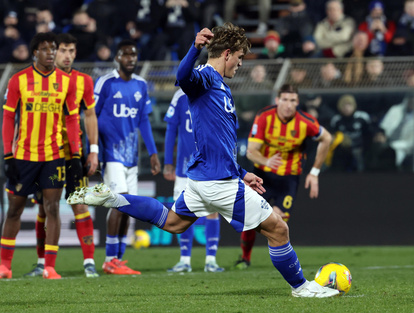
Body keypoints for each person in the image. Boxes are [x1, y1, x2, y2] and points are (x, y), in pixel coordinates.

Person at [68, 23, 339, 298]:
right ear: (227, 54)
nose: (241, 64)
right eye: (240, 58)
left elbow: (219, 143)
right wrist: (195, 48)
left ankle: (112, 198)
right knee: (279, 230)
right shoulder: (206, 77)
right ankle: (302, 287)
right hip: (219, 183)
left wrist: (242, 172)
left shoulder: (218, 84)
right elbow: (183, 76)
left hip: (205, 179)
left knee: (173, 222)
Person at [0, 32, 83, 280]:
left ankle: (49, 267)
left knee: (52, 208)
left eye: (54, 48)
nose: (51, 52)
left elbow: (72, 119)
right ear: (34, 53)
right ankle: (5, 267)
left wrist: (76, 156)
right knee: (14, 210)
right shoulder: (18, 80)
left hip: (53, 155)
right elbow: (8, 118)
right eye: (46, 48)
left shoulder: (66, 82)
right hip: (24, 156)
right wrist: (8, 155)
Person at [23, 33, 100, 278]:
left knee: (79, 204)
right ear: (54, 52)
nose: (67, 55)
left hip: (74, 154)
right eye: (63, 50)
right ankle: (41, 263)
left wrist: (94, 151)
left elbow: (89, 116)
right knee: (44, 210)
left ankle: (89, 261)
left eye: (71, 51)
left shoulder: (83, 81)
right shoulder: (36, 80)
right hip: (44, 154)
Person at [233, 84, 332, 269]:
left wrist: (315, 172)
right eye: (285, 99)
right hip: (263, 177)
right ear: (277, 100)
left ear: (297, 102)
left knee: (278, 221)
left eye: (293, 100)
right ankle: (245, 258)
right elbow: (251, 152)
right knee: (251, 219)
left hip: (288, 179)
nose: (288, 104)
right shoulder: (264, 117)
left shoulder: (305, 121)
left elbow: (326, 138)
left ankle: (283, 264)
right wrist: (267, 161)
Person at [94, 39, 161, 275]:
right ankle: (109, 258)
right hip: (112, 154)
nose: (131, 58)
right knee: (119, 204)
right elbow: (92, 116)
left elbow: (143, 120)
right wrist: (94, 149)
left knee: (128, 206)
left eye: (134, 54)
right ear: (117, 58)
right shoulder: (106, 83)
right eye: (125, 54)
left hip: (132, 156)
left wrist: (153, 152)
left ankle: (119, 258)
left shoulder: (141, 85)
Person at [163, 89, 224, 273]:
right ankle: (184, 261)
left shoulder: (217, 93)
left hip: (210, 166)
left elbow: (226, 132)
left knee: (212, 212)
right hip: (185, 167)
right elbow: (171, 129)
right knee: (182, 212)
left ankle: (211, 261)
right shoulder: (180, 96)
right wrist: (167, 161)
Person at [329, 94, 371, 172]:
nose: (347, 108)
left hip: (360, 147)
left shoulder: (362, 117)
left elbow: (369, 134)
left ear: (354, 105)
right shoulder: (336, 120)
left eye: (349, 105)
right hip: (343, 149)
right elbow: (332, 135)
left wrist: (364, 146)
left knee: (361, 156)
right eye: (344, 106)